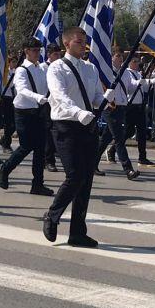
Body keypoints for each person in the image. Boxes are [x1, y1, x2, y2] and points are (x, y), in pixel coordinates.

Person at [43, 27, 107, 247]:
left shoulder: (90, 69)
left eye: (85, 41)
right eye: (79, 42)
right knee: (75, 175)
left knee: (86, 180)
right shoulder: (56, 68)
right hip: (66, 127)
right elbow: (59, 96)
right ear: (67, 44)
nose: (83, 45)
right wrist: (79, 112)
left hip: (87, 127)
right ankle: (52, 214)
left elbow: (96, 97)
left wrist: (107, 99)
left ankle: (77, 232)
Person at [0, 38, 54, 195]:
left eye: (38, 50)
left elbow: (50, 87)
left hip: (39, 112)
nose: (37, 53)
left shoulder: (41, 69)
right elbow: (21, 90)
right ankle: (5, 168)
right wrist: (37, 97)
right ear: (26, 51)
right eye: (34, 50)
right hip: (24, 112)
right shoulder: (21, 70)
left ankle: (37, 184)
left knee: (40, 149)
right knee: (26, 145)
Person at [96, 52, 141, 180]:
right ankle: (128, 170)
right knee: (119, 138)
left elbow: (130, 88)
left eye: (121, 56)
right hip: (110, 108)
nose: (120, 59)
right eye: (117, 56)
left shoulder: (125, 72)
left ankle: (91, 164)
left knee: (105, 139)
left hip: (121, 108)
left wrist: (142, 82)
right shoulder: (106, 72)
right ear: (111, 58)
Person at [117, 57, 155, 166]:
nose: (136, 63)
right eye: (134, 61)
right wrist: (145, 81)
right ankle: (113, 150)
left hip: (140, 106)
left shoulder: (138, 73)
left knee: (142, 132)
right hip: (131, 106)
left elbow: (144, 88)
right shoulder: (127, 73)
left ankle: (142, 157)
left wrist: (149, 82)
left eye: (137, 62)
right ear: (129, 62)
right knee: (128, 131)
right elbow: (131, 86)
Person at [43, 45, 62, 171]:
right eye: (55, 54)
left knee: (58, 131)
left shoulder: (60, 67)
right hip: (46, 102)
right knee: (49, 133)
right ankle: (49, 160)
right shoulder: (43, 68)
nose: (58, 57)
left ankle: (56, 154)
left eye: (59, 54)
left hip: (58, 103)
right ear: (49, 55)